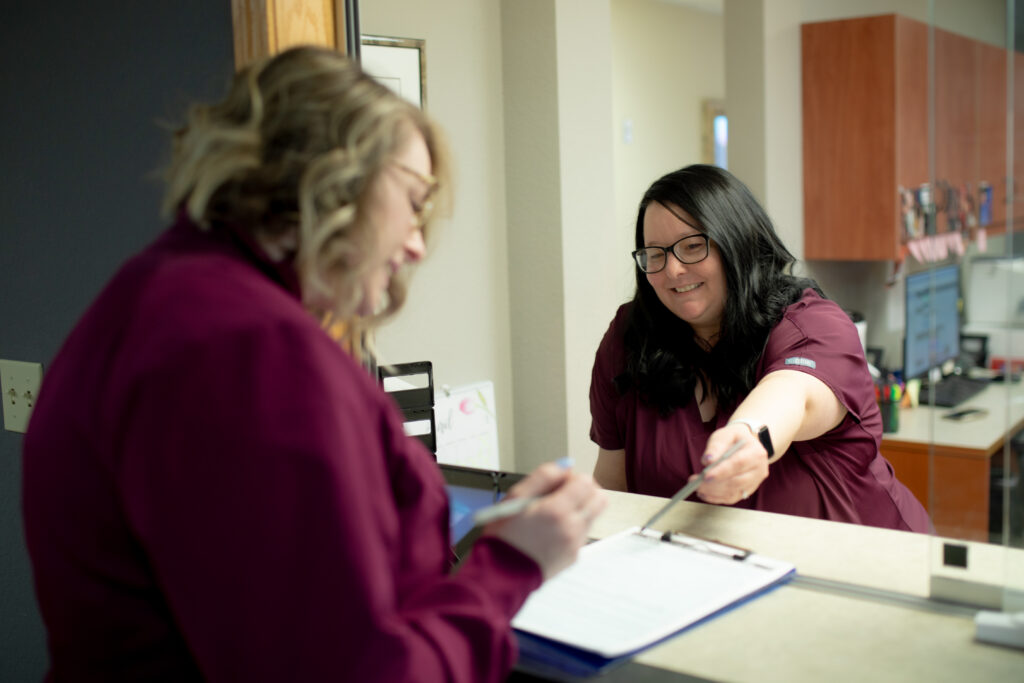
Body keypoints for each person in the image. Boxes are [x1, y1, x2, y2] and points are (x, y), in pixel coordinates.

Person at [22, 46, 606, 682]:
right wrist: (511, 567)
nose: (416, 243)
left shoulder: (147, 297)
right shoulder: (253, 351)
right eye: (413, 200)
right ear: (334, 176)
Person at [590, 164, 929, 532]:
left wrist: (750, 438)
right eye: (655, 254)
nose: (672, 270)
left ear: (737, 243)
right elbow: (613, 485)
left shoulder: (812, 323)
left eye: (692, 247)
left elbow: (794, 393)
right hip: (710, 574)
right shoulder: (630, 339)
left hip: (861, 564)